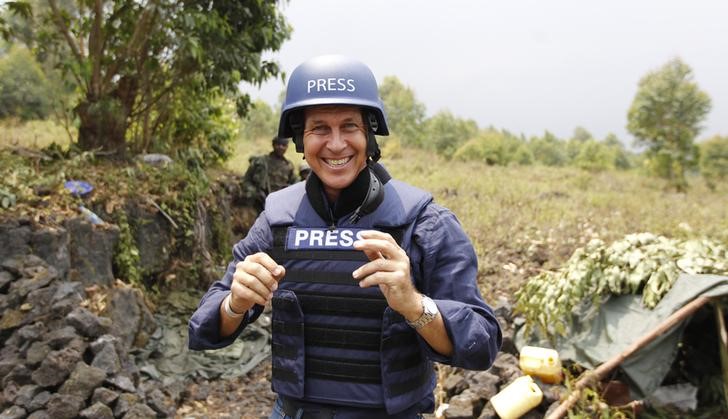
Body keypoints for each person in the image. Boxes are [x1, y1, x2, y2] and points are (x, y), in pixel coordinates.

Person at [188, 55, 501, 418]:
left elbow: (482, 343)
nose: (336, 145)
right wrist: (236, 304)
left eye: (349, 126)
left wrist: (415, 306)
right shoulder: (277, 220)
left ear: (369, 135)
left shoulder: (424, 222)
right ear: (300, 140)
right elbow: (203, 328)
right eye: (319, 128)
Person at [242, 136, 298, 212]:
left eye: (283, 145)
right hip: (259, 204)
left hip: (280, 205)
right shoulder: (260, 162)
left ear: (287, 147)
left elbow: (295, 185)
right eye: (278, 144)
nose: (280, 147)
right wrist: (254, 192)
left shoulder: (289, 166)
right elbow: (246, 180)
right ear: (273, 145)